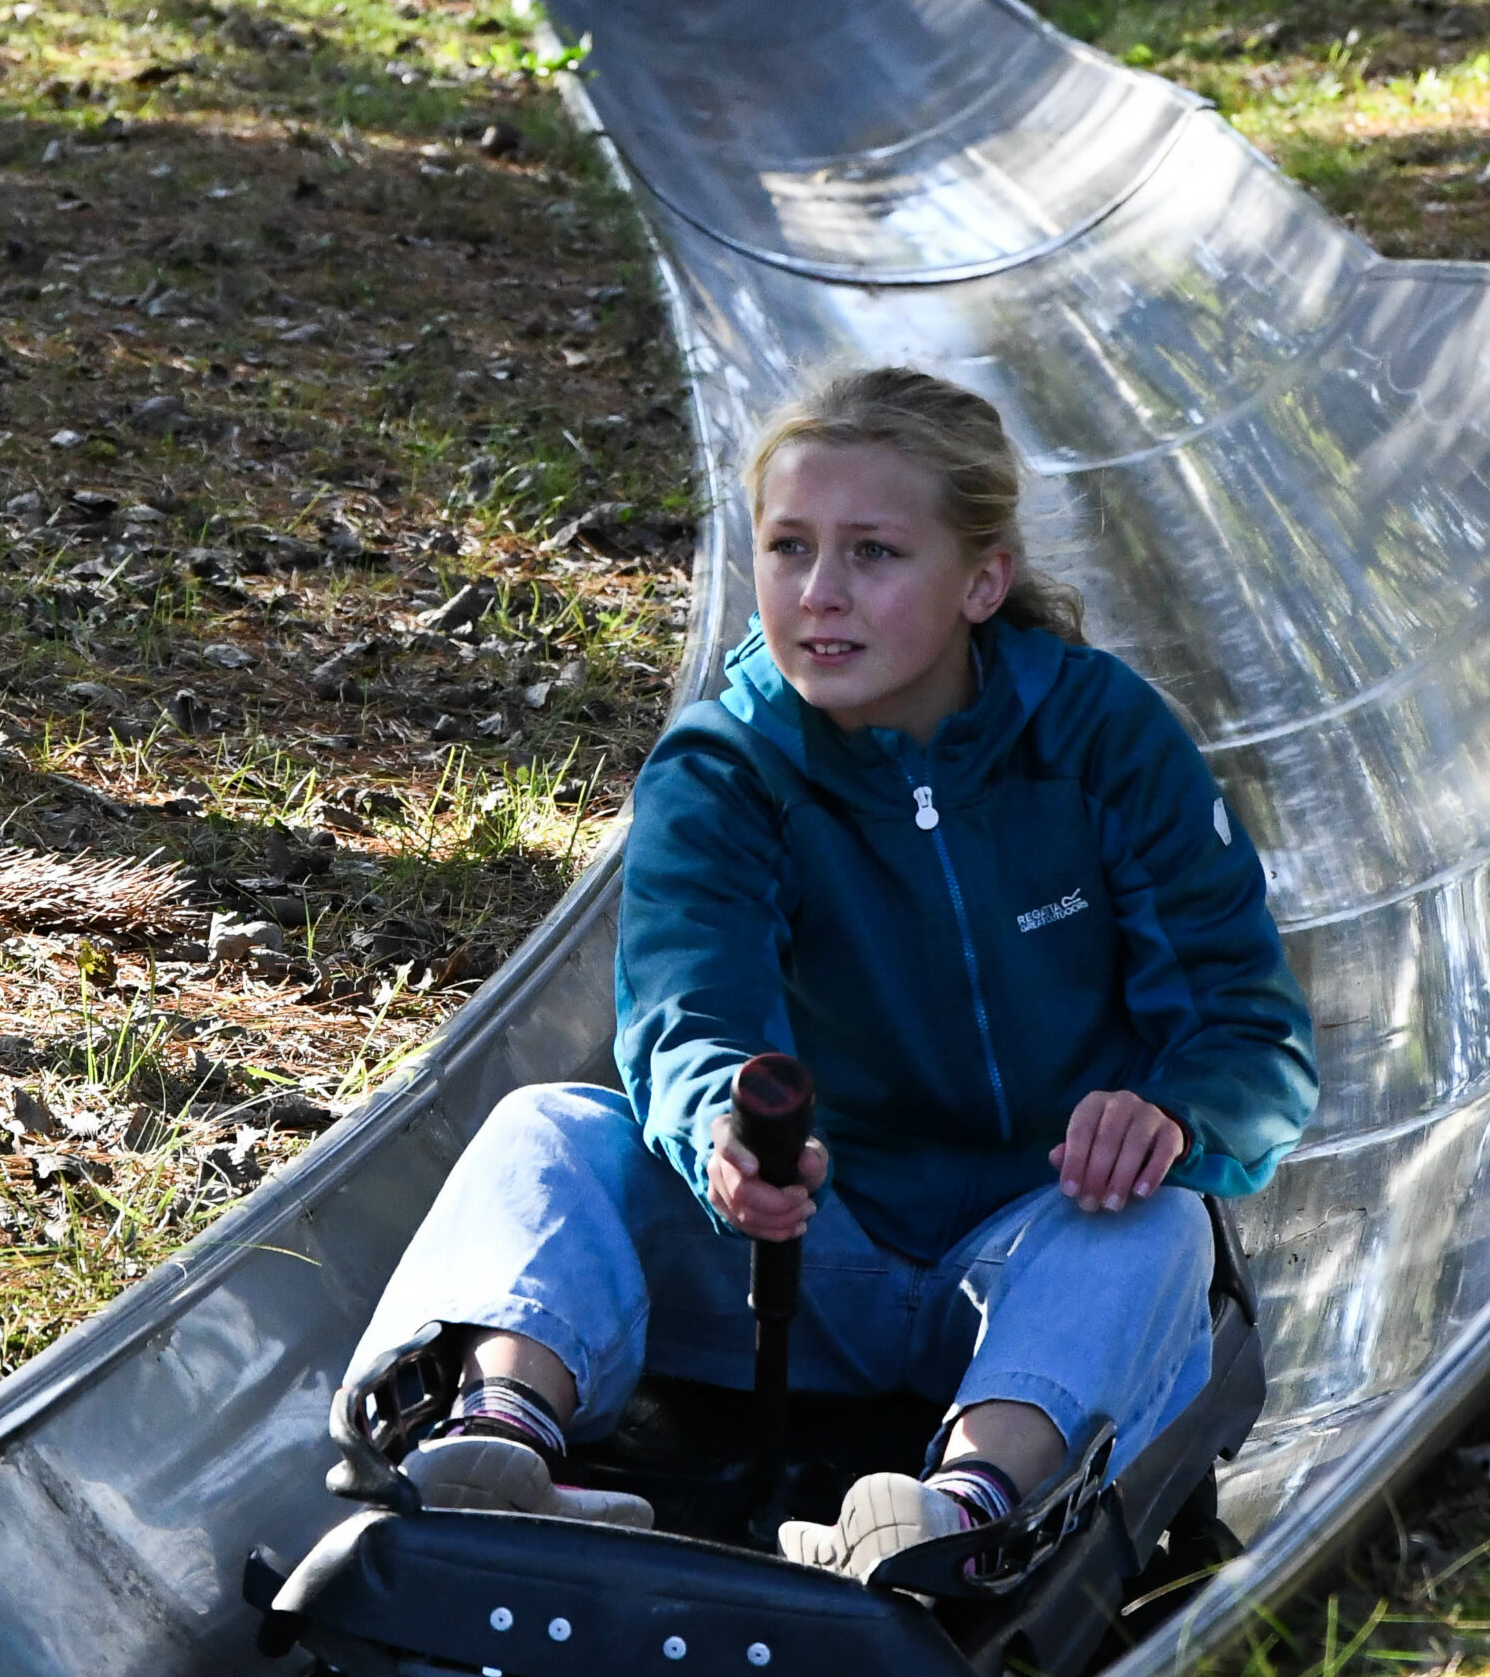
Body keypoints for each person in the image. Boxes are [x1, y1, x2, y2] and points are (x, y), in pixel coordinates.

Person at [331, 366, 1316, 1579]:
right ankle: (496, 1436)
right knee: (547, 1131)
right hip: (799, 1256)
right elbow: (688, 1010)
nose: (819, 592)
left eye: (874, 553)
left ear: (981, 582)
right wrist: (727, 1136)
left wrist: (1169, 1111)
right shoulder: (725, 768)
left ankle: (961, 1514)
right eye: (788, 547)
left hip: (1029, 1256)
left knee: (1159, 1222)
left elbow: (1248, 1030)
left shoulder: (1103, 740)